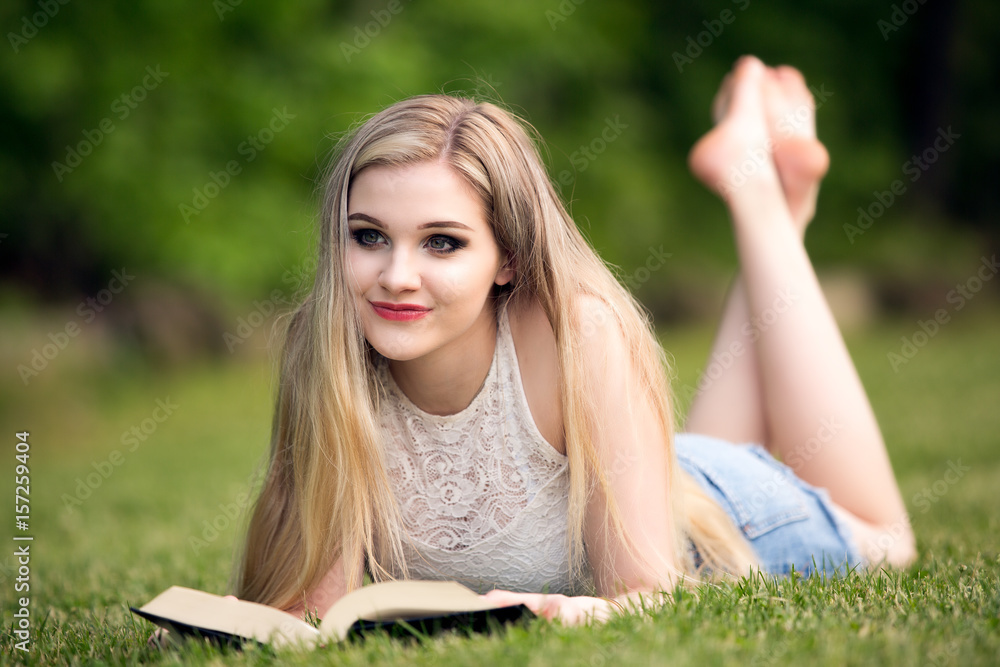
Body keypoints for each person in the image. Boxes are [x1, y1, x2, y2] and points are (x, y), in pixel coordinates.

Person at [233, 55, 916, 628]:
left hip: (731, 512)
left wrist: (551, 608)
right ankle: (774, 187)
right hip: (643, 479)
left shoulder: (575, 332)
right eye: (369, 236)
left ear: (507, 258)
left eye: (442, 242)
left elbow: (651, 594)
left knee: (890, 542)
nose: (396, 276)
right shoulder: (324, 347)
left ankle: (762, 193)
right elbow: (313, 602)